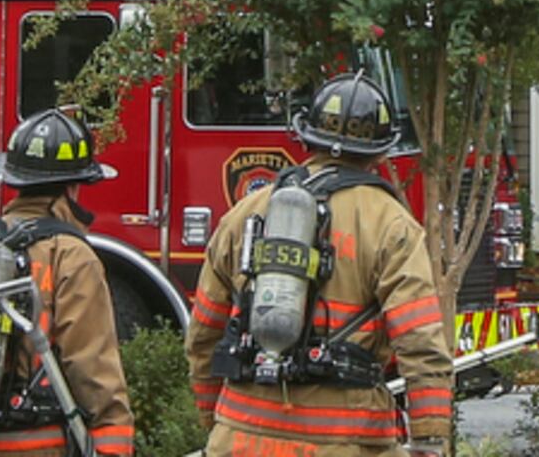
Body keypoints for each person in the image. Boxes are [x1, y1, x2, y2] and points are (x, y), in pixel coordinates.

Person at [184, 75, 453, 457]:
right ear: (381, 152)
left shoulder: (245, 214)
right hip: (345, 442)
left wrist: (217, 420)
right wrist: (429, 440)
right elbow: (421, 345)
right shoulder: (392, 226)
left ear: (306, 137)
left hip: (239, 437)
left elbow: (203, 337)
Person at [0, 108, 136, 457]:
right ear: (73, 188)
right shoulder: (71, 256)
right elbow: (93, 368)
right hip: (38, 445)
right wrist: (114, 442)